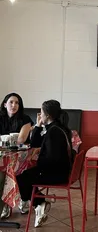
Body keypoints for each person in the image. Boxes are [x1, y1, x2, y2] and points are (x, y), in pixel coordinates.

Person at [16, 100, 74, 228]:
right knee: (25, 175)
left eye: (41, 112)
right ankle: (35, 202)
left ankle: (38, 202)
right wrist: (38, 125)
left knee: (21, 177)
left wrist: (38, 165)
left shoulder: (54, 132)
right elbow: (35, 143)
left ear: (47, 115)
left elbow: (53, 159)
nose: (39, 115)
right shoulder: (56, 128)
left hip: (56, 174)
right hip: (59, 171)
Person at [0, 93, 33, 219]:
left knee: (8, 172)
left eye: (17, 103)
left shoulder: (25, 119)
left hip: (20, 155)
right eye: (11, 102)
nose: (14, 105)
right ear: (4, 104)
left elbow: (21, 139)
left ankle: (6, 205)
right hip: (3, 154)